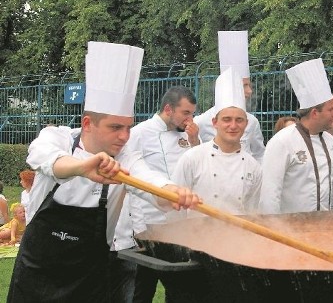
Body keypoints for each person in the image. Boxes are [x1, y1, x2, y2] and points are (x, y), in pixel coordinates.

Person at [7, 41, 202, 303]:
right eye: (115, 127)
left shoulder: (126, 157)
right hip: (37, 272)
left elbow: (147, 179)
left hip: (88, 278)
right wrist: (82, 167)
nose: (124, 136)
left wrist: (172, 192)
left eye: (128, 127)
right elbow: (47, 160)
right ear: (88, 123)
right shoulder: (57, 138)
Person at [113, 85, 200, 302]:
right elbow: (133, 178)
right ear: (169, 109)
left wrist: (195, 141)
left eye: (192, 113)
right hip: (148, 225)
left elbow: (198, 165)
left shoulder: (187, 134)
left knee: (178, 286)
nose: (190, 119)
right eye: (186, 113)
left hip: (178, 223)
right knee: (142, 288)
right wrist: (139, 230)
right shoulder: (139, 133)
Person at [259, 58, 333, 213]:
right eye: (331, 109)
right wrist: (273, 229)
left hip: (324, 228)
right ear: (314, 113)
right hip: (289, 229)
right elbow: (270, 194)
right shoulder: (282, 142)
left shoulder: (331, 143)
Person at [171, 68, 262, 216]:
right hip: (194, 236)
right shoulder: (192, 158)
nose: (233, 126)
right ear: (215, 122)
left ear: (246, 124)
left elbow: (252, 214)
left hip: (237, 236)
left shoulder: (254, 167)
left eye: (239, 120)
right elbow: (174, 208)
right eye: (226, 119)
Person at [195, 30, 266, 163]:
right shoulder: (202, 121)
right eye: (244, 85)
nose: (250, 91)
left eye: (239, 120)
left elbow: (259, 155)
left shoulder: (253, 122)